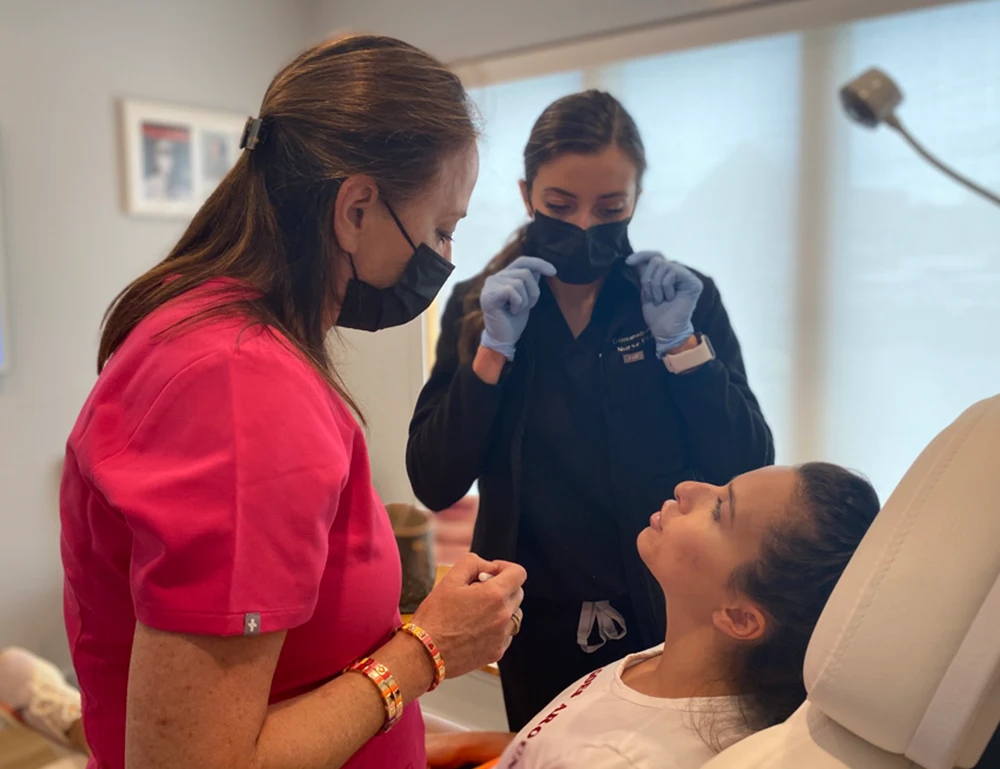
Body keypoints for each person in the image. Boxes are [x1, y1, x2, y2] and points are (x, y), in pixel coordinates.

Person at [60, 35, 527, 769]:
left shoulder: (221, 332)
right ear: (356, 210)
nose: (443, 256)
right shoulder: (240, 387)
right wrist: (429, 649)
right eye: (441, 228)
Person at [407, 90, 775, 730]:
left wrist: (682, 347)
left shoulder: (676, 299)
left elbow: (747, 461)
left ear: (635, 199)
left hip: (664, 611)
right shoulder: (483, 302)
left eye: (610, 207)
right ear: (527, 194)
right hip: (529, 613)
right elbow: (435, 479)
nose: (582, 224)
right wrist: (493, 351)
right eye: (559, 205)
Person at [425, 463, 881, 769]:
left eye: (721, 509)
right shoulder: (667, 663)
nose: (688, 489)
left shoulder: (624, 758)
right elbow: (547, 748)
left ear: (741, 618)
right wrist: (467, 744)